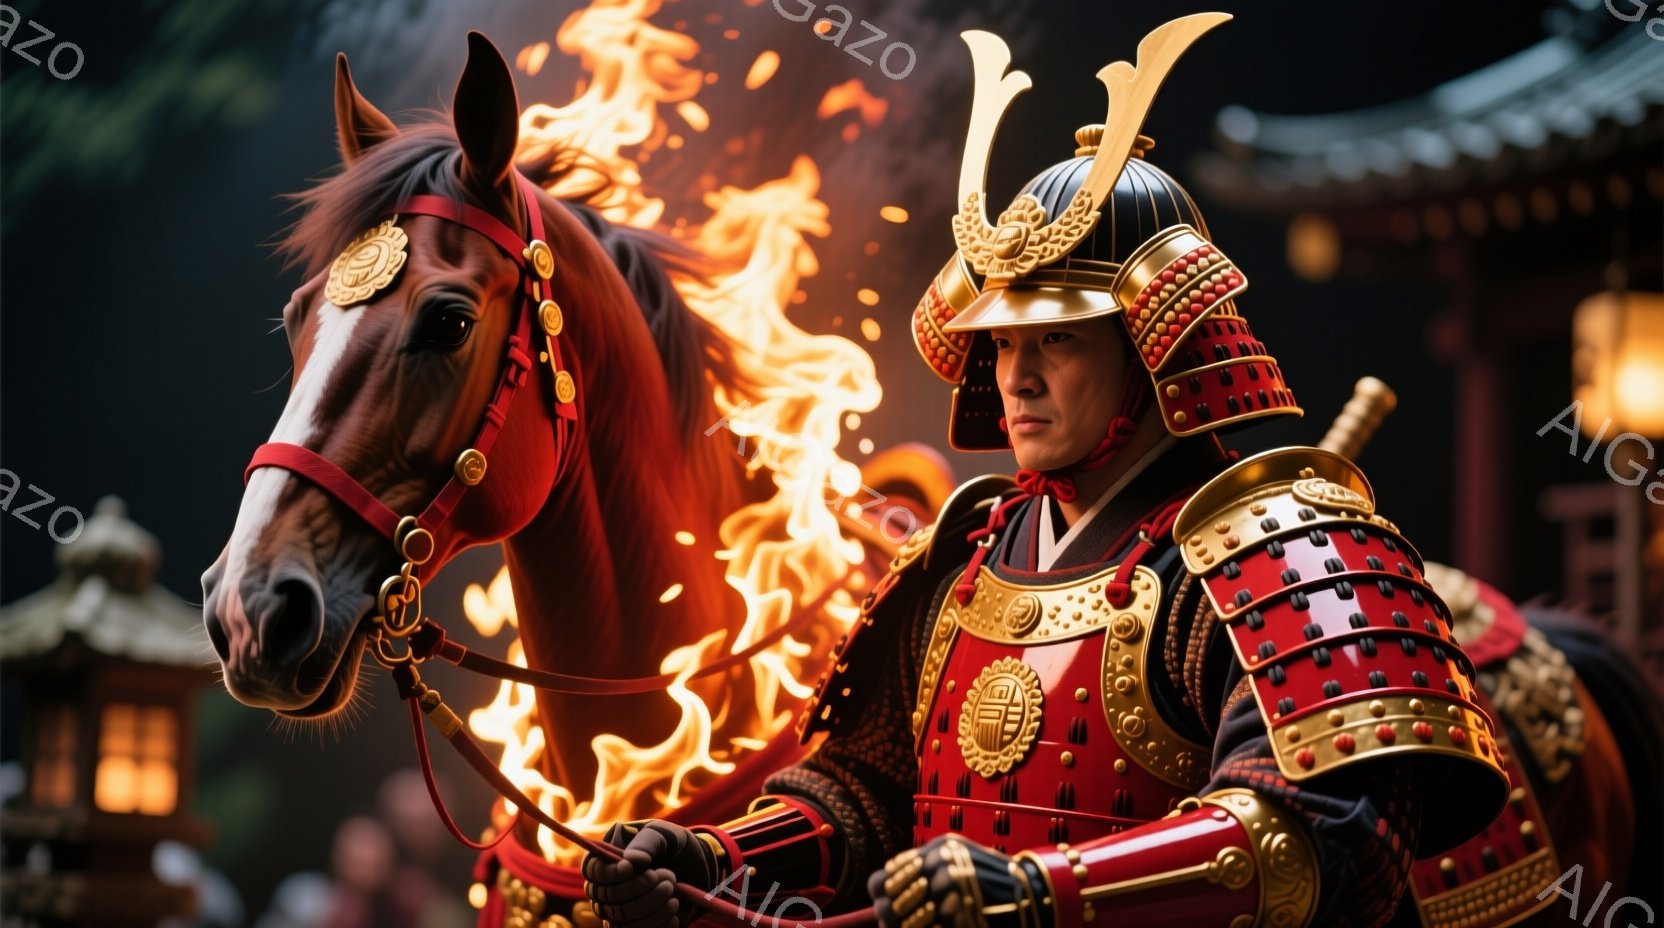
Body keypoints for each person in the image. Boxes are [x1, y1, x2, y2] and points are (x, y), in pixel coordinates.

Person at [583, 17, 1507, 928]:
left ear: (1152, 347)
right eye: (1002, 342)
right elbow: (865, 792)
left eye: (1056, 339)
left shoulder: (1287, 556)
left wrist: (1041, 893)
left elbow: (1321, 840)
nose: (1015, 377)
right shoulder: (962, 557)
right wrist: (719, 855)